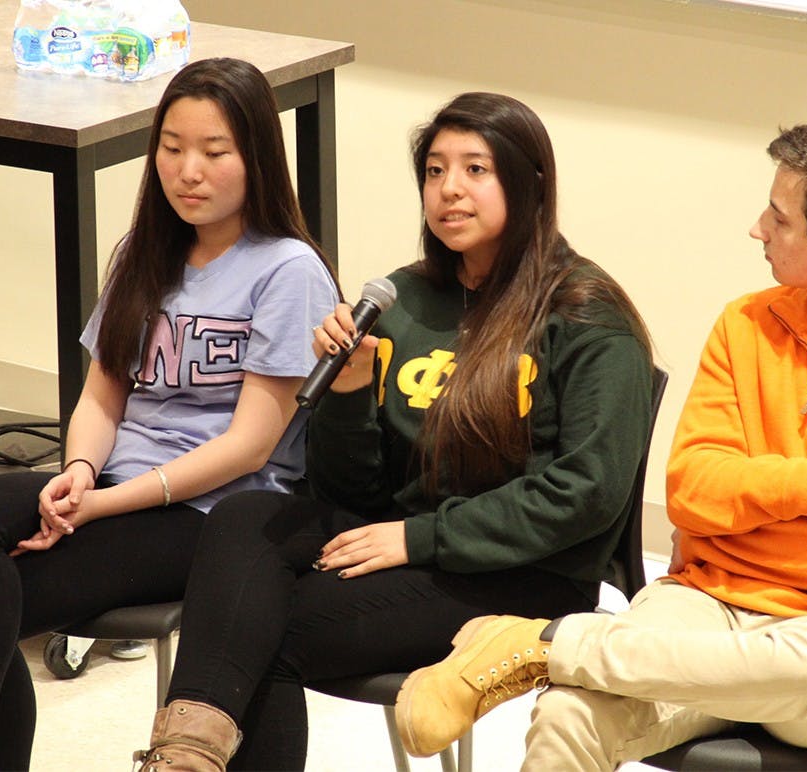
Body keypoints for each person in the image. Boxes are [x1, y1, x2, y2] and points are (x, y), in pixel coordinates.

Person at [394, 116, 807, 769]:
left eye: (778, 219)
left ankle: (547, 645)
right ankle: (568, 657)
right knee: (571, 711)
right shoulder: (747, 323)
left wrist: (748, 509)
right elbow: (691, 491)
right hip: (706, 601)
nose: (757, 228)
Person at [130, 91, 654, 771]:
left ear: (529, 186)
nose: (449, 191)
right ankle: (185, 758)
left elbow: (586, 493)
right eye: (435, 172)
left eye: (475, 170)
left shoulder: (584, 315)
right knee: (247, 516)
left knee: (262, 634)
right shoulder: (404, 300)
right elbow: (352, 489)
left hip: (526, 574)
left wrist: (419, 537)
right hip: (410, 538)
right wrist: (346, 394)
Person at [0, 57, 339, 772]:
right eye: (171, 148)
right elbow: (103, 396)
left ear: (256, 157)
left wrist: (101, 505)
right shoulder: (143, 253)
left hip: (216, 515)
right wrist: (78, 470)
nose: (188, 171)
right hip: (116, 489)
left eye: (213, 151)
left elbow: (249, 449)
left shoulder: (288, 270)